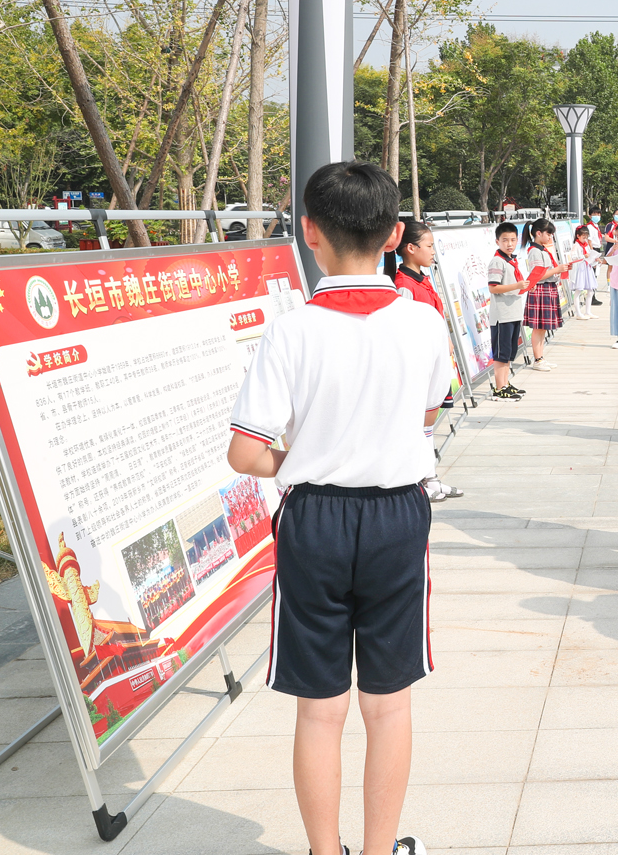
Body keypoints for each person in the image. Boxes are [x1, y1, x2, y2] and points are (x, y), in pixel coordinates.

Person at [226, 161, 448, 855]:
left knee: (319, 712)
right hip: (396, 517)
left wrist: (306, 457)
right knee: (389, 705)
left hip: (314, 519)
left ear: (309, 231)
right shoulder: (423, 322)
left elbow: (245, 453)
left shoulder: (291, 330)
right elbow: (427, 415)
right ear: (394, 235)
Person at [389, 219, 467, 501]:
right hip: (419, 365)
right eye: (429, 245)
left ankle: (430, 477)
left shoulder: (421, 279)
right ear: (410, 248)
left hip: (434, 363)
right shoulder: (403, 285)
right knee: (418, 425)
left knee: (427, 426)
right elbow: (404, 330)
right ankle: (420, 480)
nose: (434, 251)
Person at [485, 222, 530, 399]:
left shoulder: (511, 260)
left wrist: (526, 286)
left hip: (513, 313)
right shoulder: (497, 261)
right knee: (501, 353)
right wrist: (517, 285)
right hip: (502, 315)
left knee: (509, 352)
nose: (509, 244)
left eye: (512, 240)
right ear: (497, 241)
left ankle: (505, 383)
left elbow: (514, 286)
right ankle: (499, 387)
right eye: (505, 240)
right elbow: (493, 287)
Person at [522, 219, 566, 371]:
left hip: (547, 288)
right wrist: (557, 270)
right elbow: (538, 275)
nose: (550, 237)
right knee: (538, 327)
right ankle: (537, 359)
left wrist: (558, 270)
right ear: (539, 233)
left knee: (543, 327)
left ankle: (540, 357)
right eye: (549, 234)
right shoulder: (535, 251)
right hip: (541, 289)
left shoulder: (541, 249)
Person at [569, 224, 600, 318]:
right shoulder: (576, 245)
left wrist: (594, 259)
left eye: (586, 237)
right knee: (578, 291)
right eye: (583, 237)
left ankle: (588, 311)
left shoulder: (586, 245)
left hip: (587, 268)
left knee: (590, 291)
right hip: (580, 269)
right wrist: (583, 256)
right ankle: (578, 313)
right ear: (578, 236)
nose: (585, 239)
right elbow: (573, 257)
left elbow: (589, 256)